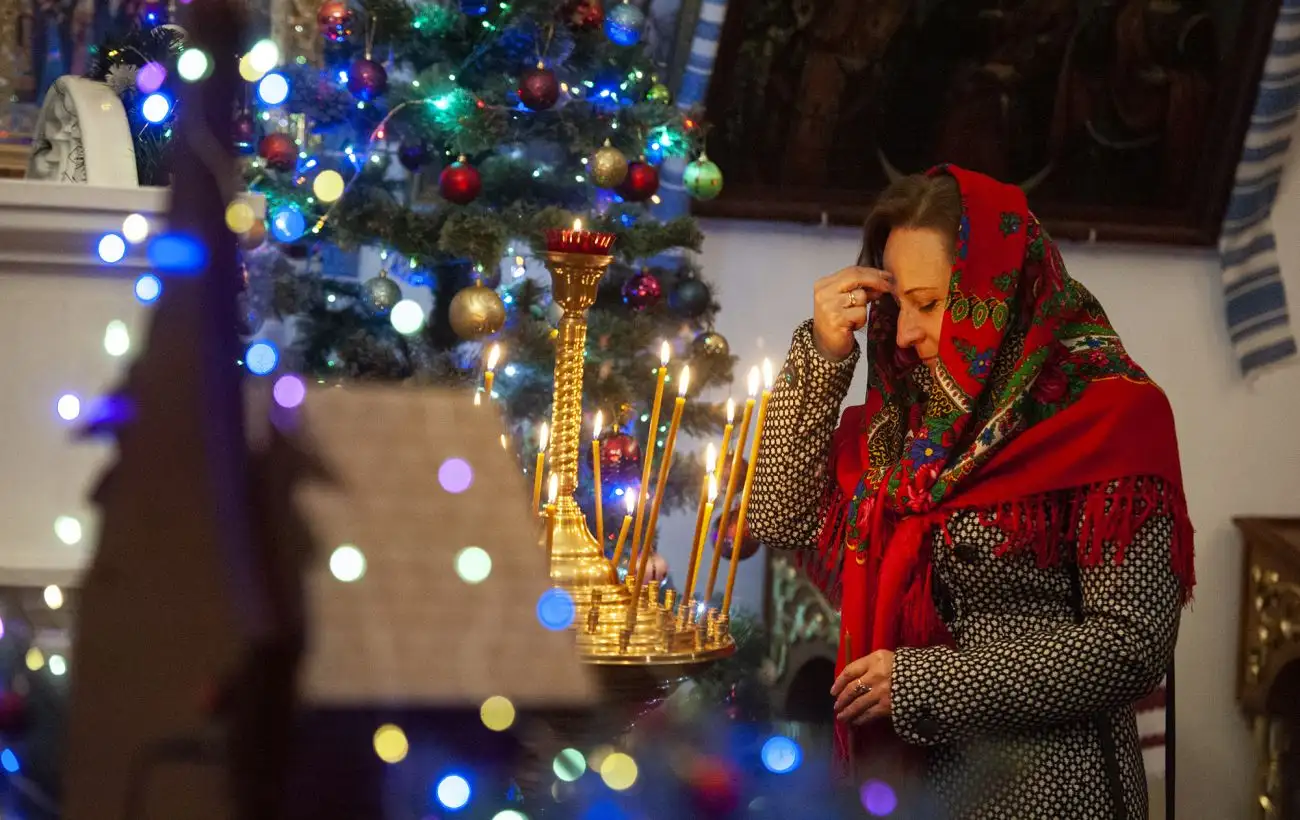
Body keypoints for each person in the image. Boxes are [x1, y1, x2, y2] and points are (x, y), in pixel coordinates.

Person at [748, 165, 1195, 818]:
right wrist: (822, 354)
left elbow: (1132, 648)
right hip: (904, 786)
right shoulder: (903, 419)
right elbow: (779, 518)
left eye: (927, 304)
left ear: (995, 294)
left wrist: (927, 681)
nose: (902, 333)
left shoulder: (1112, 418)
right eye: (896, 305)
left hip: (1049, 789)